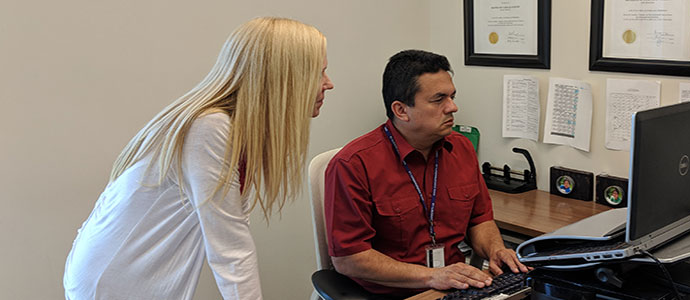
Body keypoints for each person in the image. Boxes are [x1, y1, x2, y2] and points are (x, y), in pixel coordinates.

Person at [63, 17, 334, 300]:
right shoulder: (211, 128)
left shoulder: (236, 131)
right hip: (115, 282)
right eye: (319, 73)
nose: (329, 84)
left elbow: (232, 241)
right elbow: (230, 252)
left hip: (124, 274)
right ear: (285, 77)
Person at [324, 49, 528, 299]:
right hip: (394, 293)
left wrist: (496, 249)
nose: (452, 107)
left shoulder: (461, 148)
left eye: (452, 96)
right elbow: (349, 259)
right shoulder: (352, 164)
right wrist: (431, 276)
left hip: (456, 287)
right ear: (401, 110)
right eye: (438, 99)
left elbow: (479, 219)